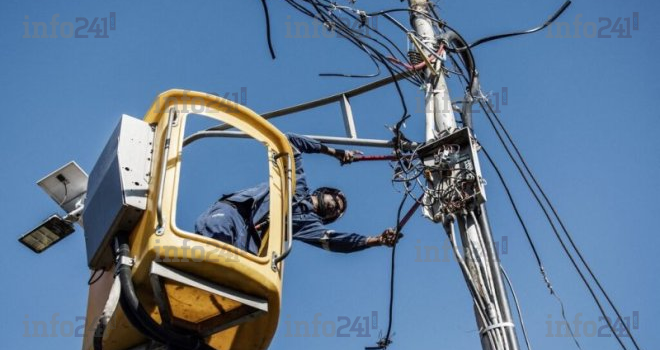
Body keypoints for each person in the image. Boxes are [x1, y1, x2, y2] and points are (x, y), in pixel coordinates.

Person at [195, 133, 401, 254]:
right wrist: (334, 152)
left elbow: (336, 241)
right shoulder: (297, 182)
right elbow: (290, 142)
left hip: (251, 244)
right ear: (325, 192)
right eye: (336, 201)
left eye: (337, 211)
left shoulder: (309, 225)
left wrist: (376, 240)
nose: (335, 207)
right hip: (234, 214)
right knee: (213, 242)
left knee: (232, 278)